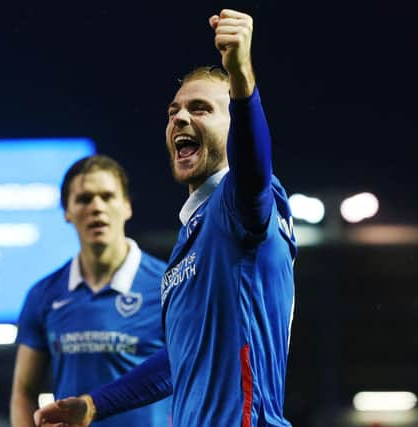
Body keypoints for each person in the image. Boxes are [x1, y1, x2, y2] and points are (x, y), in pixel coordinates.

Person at [34, 8, 297, 427]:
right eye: (173, 111)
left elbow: (253, 169)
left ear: (235, 126)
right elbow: (179, 359)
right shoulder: (190, 238)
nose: (180, 118)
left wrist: (243, 80)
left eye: (201, 109)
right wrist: (95, 404)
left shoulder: (240, 202)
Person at [10, 155, 171, 427]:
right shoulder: (43, 294)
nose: (97, 207)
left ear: (127, 206)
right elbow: (24, 391)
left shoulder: (168, 285)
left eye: (107, 197)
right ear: (67, 211)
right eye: (84, 199)